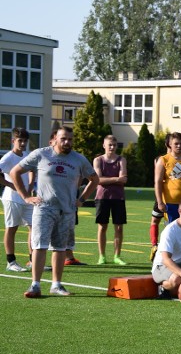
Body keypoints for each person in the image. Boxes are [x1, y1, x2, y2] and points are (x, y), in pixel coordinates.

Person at [10, 126, 99, 298]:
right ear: (55, 139)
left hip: (66, 211)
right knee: (40, 246)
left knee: (60, 248)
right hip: (44, 209)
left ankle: (56, 285)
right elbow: (15, 172)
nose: (67, 142)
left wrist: (81, 200)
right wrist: (26, 196)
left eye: (70, 139)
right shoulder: (41, 154)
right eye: (64, 138)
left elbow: (94, 179)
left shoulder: (79, 159)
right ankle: (35, 285)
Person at [1, 128, 33, 272]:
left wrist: (31, 185)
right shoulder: (7, 158)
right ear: (13, 141)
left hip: (27, 198)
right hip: (12, 199)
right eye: (20, 140)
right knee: (12, 228)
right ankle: (11, 262)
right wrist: (12, 185)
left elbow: (33, 169)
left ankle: (33, 260)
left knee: (34, 227)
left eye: (25, 141)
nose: (22, 143)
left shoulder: (27, 155)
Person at [93, 135, 128, 265]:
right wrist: (116, 179)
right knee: (102, 227)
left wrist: (109, 180)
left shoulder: (121, 160)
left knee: (119, 228)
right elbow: (98, 180)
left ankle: (117, 256)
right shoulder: (98, 160)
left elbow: (124, 179)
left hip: (118, 197)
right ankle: (102, 256)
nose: (112, 147)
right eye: (110, 145)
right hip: (102, 198)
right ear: (104, 145)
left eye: (114, 145)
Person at [148, 133, 171, 261]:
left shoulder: (158, 159)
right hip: (166, 196)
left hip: (162, 196)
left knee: (156, 221)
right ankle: (158, 247)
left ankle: (155, 245)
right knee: (168, 225)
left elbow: (157, 179)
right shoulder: (162, 160)